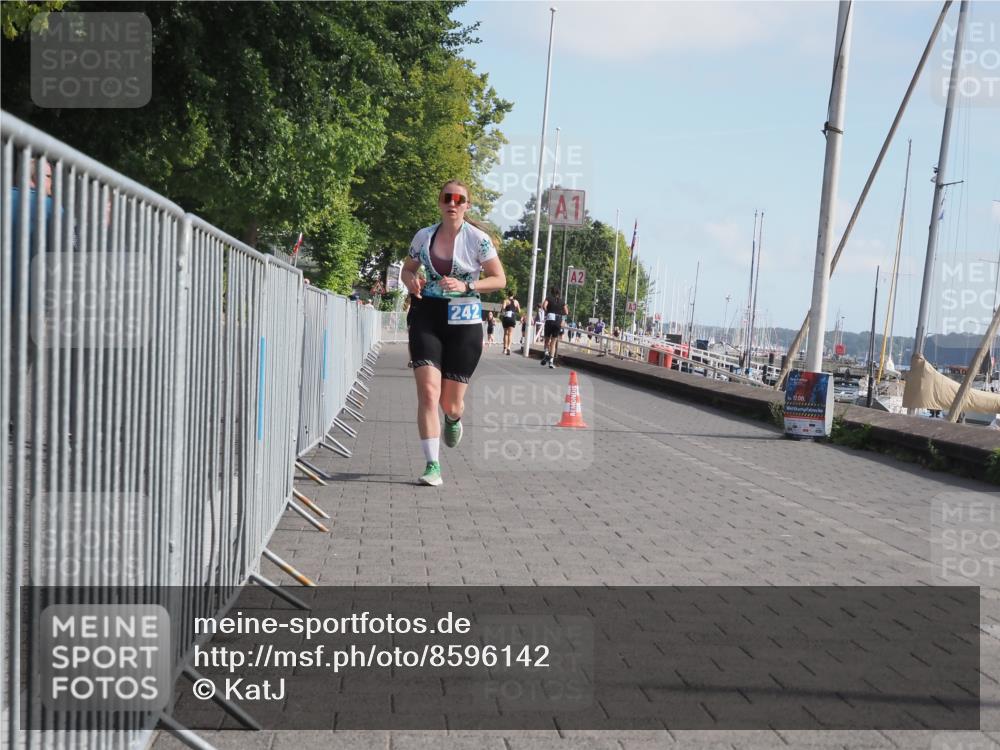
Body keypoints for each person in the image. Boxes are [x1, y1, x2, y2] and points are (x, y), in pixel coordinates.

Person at [400, 180, 506, 487]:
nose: (453, 203)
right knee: (428, 393)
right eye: (448, 197)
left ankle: (454, 418)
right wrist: (411, 281)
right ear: (440, 202)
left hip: (464, 319)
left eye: (460, 199)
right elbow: (408, 269)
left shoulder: (478, 240)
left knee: (451, 403)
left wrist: (468, 285)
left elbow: (499, 279)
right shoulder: (424, 236)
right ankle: (432, 465)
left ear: (467, 206)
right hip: (427, 314)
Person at [540, 285, 568, 368]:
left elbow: (544, 306)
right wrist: (559, 314)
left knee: (547, 339)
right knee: (554, 342)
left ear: (552, 292)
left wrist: (547, 311)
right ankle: (551, 362)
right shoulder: (562, 301)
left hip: (550, 319)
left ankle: (546, 354)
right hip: (558, 321)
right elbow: (566, 312)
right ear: (559, 293)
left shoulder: (549, 298)